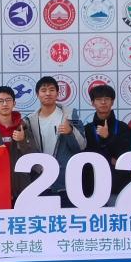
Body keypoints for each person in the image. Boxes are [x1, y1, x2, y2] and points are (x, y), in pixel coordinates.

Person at [22, 76, 85, 206]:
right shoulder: (29, 121)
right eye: (43, 90)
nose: (48, 93)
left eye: (51, 90)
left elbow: (81, 146)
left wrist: (70, 132)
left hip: (65, 182)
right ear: (37, 94)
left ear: (57, 93)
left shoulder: (70, 115)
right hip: (39, 183)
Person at [82, 84, 131, 204]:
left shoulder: (123, 128)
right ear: (93, 103)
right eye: (99, 99)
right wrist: (110, 159)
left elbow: (126, 156)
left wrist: (108, 137)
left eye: (107, 99)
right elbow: (86, 158)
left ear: (112, 102)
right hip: (92, 189)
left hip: (119, 189)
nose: (103, 102)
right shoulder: (86, 129)